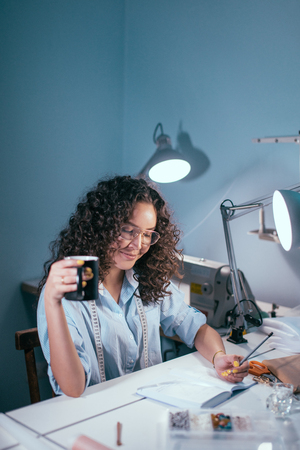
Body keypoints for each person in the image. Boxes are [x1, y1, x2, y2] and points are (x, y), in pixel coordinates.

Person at [37, 175, 249, 397]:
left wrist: (218, 357)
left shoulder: (145, 278)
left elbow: (196, 328)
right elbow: (72, 388)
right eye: (129, 230)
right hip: (95, 416)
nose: (138, 245)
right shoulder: (65, 291)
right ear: (103, 226)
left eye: (147, 234)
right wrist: (52, 302)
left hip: (146, 406)